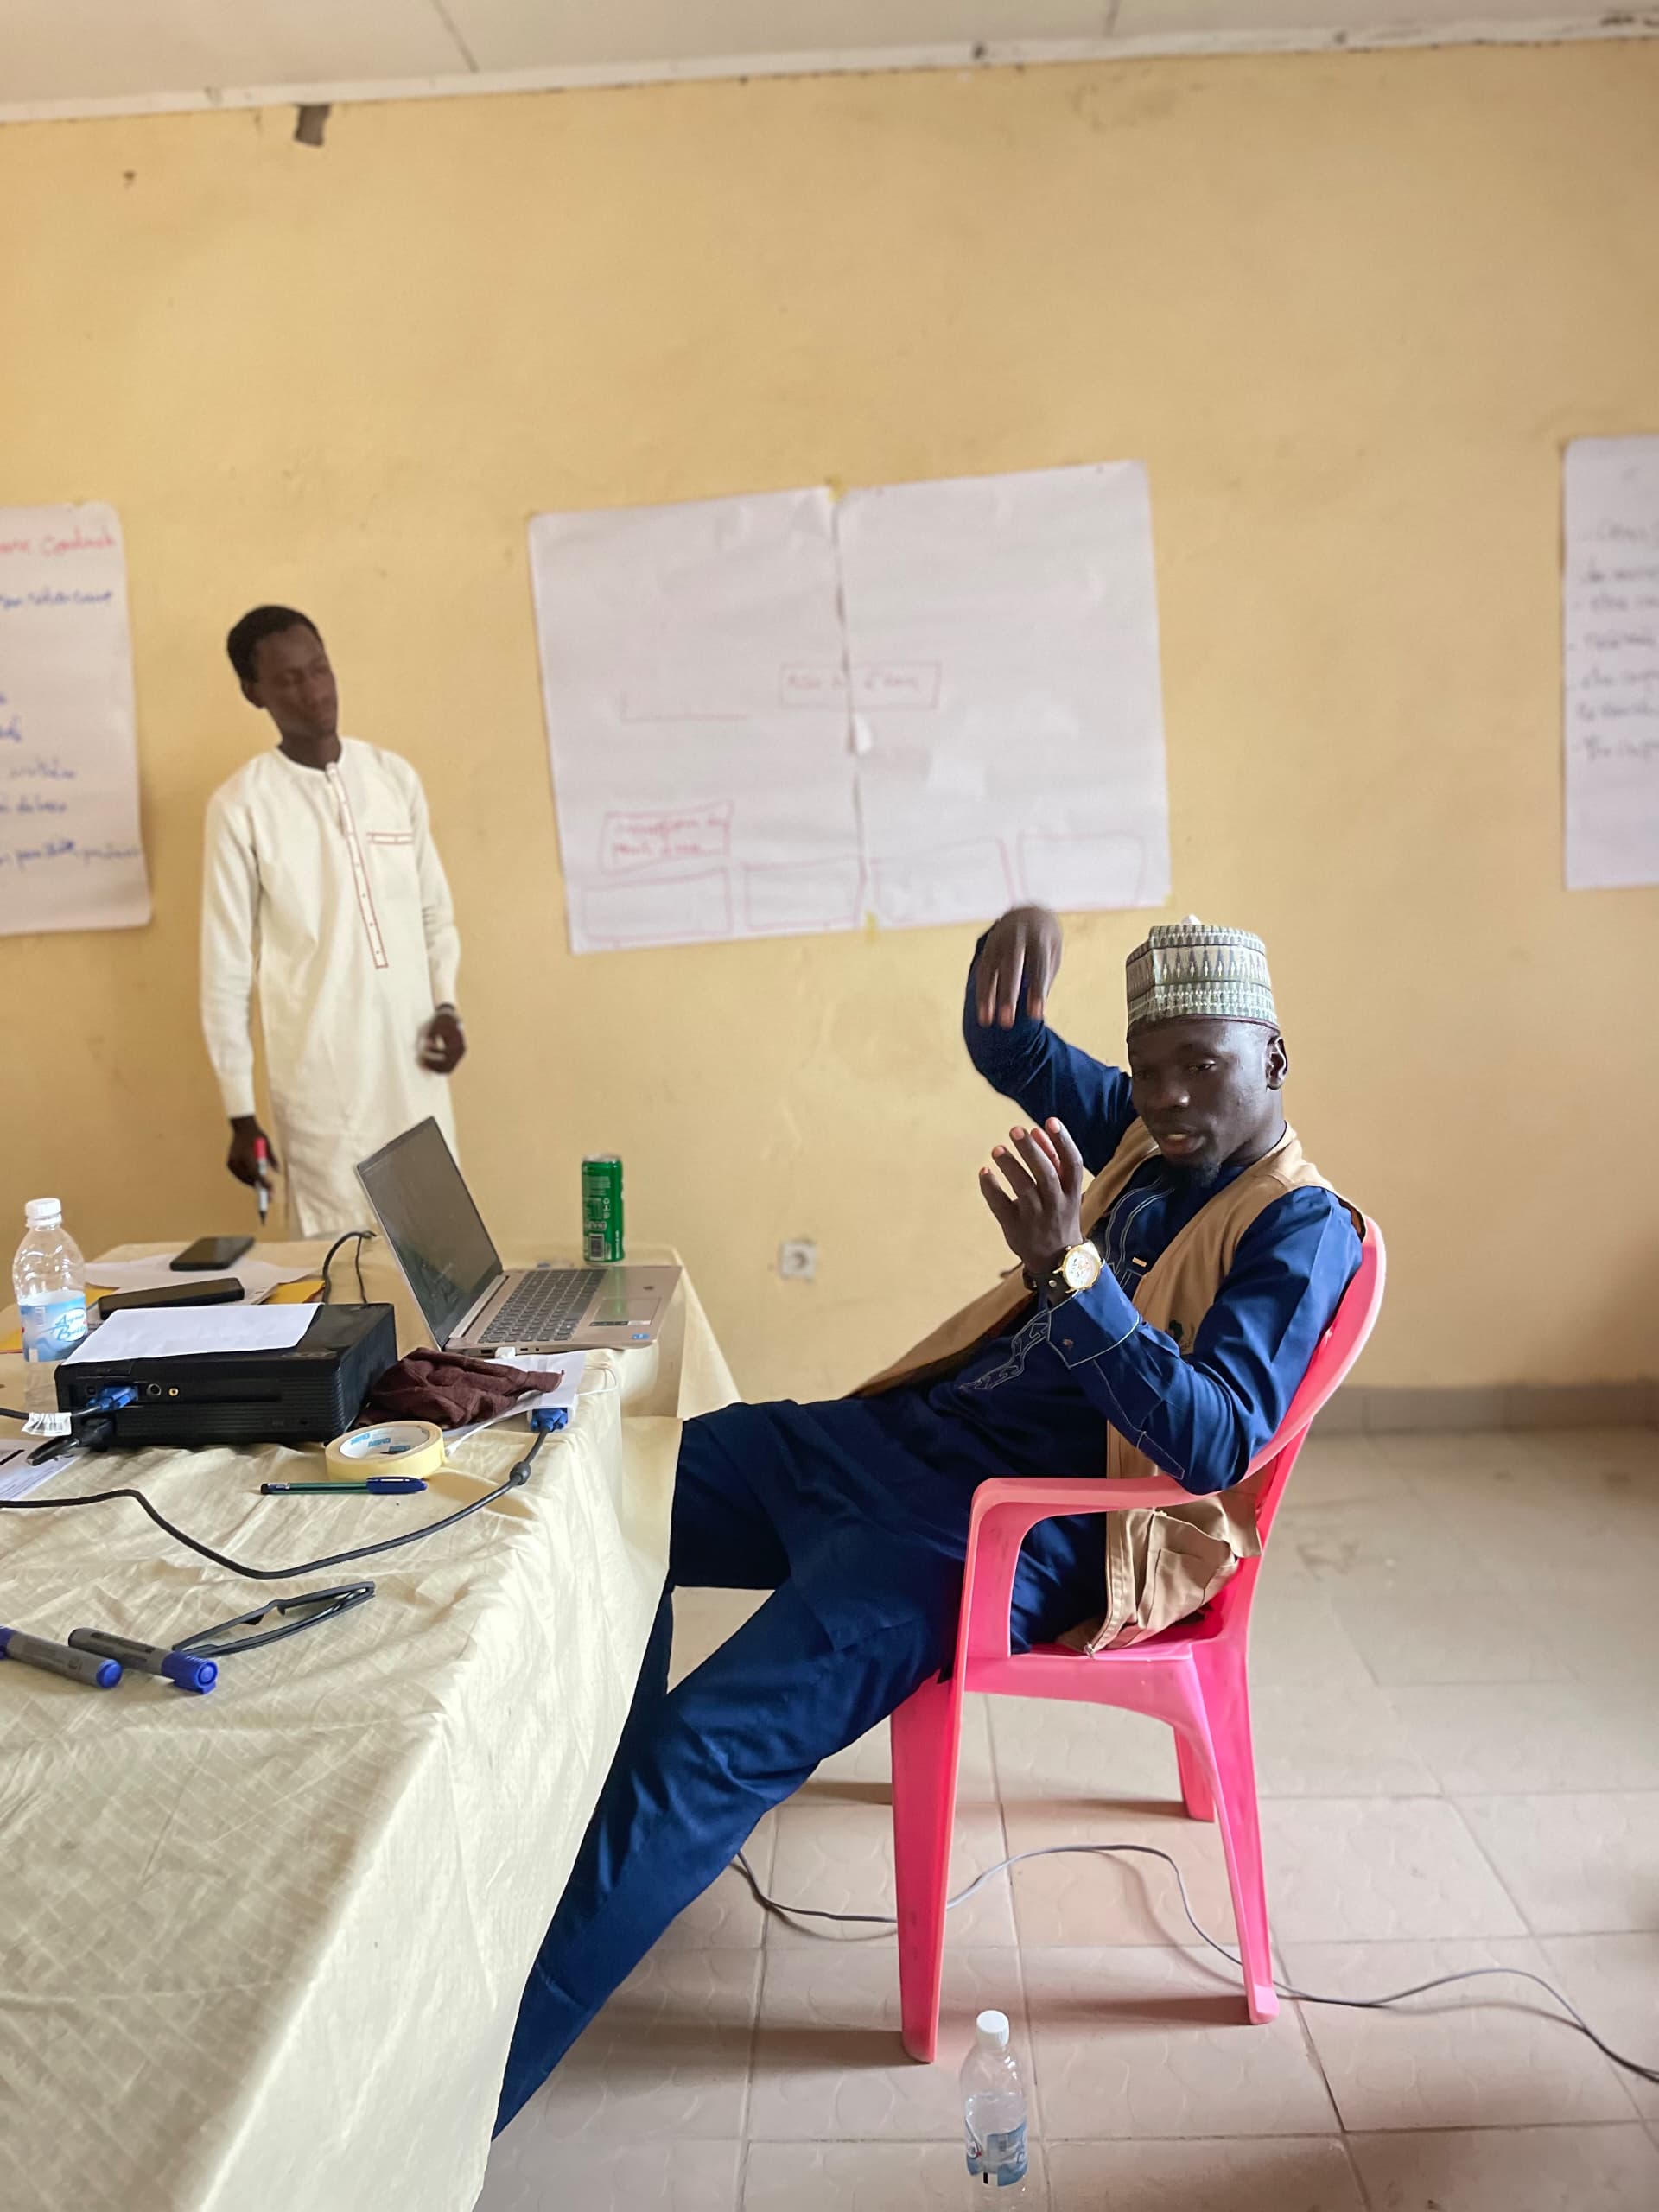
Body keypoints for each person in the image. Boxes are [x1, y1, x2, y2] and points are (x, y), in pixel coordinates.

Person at [494, 908, 1362, 2129]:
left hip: (1008, 1531)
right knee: (610, 1495)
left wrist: (1070, 1272)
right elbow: (1022, 1059)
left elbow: (1214, 1444)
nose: (1165, 1098)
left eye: (1201, 1066)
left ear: (1271, 1057)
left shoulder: (1298, 1227)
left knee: (703, 1750)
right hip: (900, 1442)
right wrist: (1001, 997)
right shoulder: (1151, 1140)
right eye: (1148, 1064)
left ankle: (459, 2088)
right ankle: (576, 1846)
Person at [200, 606, 467, 1236]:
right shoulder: (242, 807)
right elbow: (226, 968)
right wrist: (239, 1110)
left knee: (441, 1255)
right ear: (253, 692)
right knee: (343, 1268)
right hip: (322, 1081)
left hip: (414, 1068)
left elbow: (434, 912)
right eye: (289, 680)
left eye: (319, 669)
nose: (313, 691)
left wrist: (448, 1006)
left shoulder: (392, 779)